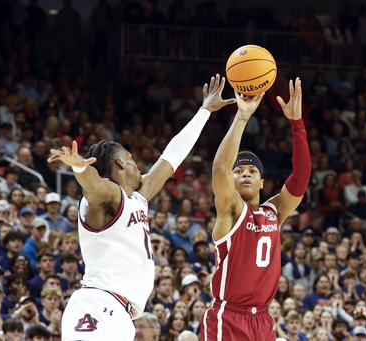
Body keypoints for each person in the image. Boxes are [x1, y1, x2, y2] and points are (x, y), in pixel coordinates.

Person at [49, 74, 235, 341]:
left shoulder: (137, 197)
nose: (138, 164)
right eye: (131, 158)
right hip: (97, 307)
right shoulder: (108, 196)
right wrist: (78, 165)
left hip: (122, 314)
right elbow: (92, 185)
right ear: (122, 164)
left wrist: (204, 111)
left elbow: (172, 157)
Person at [200, 78, 309, 340]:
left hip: (262, 318)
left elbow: (301, 178)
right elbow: (220, 169)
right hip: (228, 316)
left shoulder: (275, 212)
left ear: (262, 182)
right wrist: (242, 115)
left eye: (252, 171)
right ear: (232, 179)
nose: (245, 175)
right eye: (239, 171)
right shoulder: (230, 209)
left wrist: (296, 123)